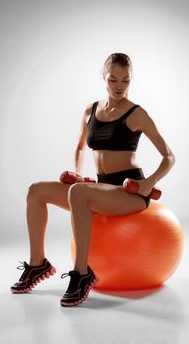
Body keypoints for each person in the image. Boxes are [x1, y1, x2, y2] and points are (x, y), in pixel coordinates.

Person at [10, 52, 176, 307]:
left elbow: (169, 156)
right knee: (36, 190)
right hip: (100, 187)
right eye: (113, 80)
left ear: (131, 80)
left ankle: (81, 273)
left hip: (129, 192)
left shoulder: (137, 114)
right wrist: (77, 172)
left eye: (125, 80)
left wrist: (149, 183)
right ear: (103, 77)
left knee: (79, 193)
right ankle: (37, 264)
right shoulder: (91, 110)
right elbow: (79, 148)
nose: (119, 86)